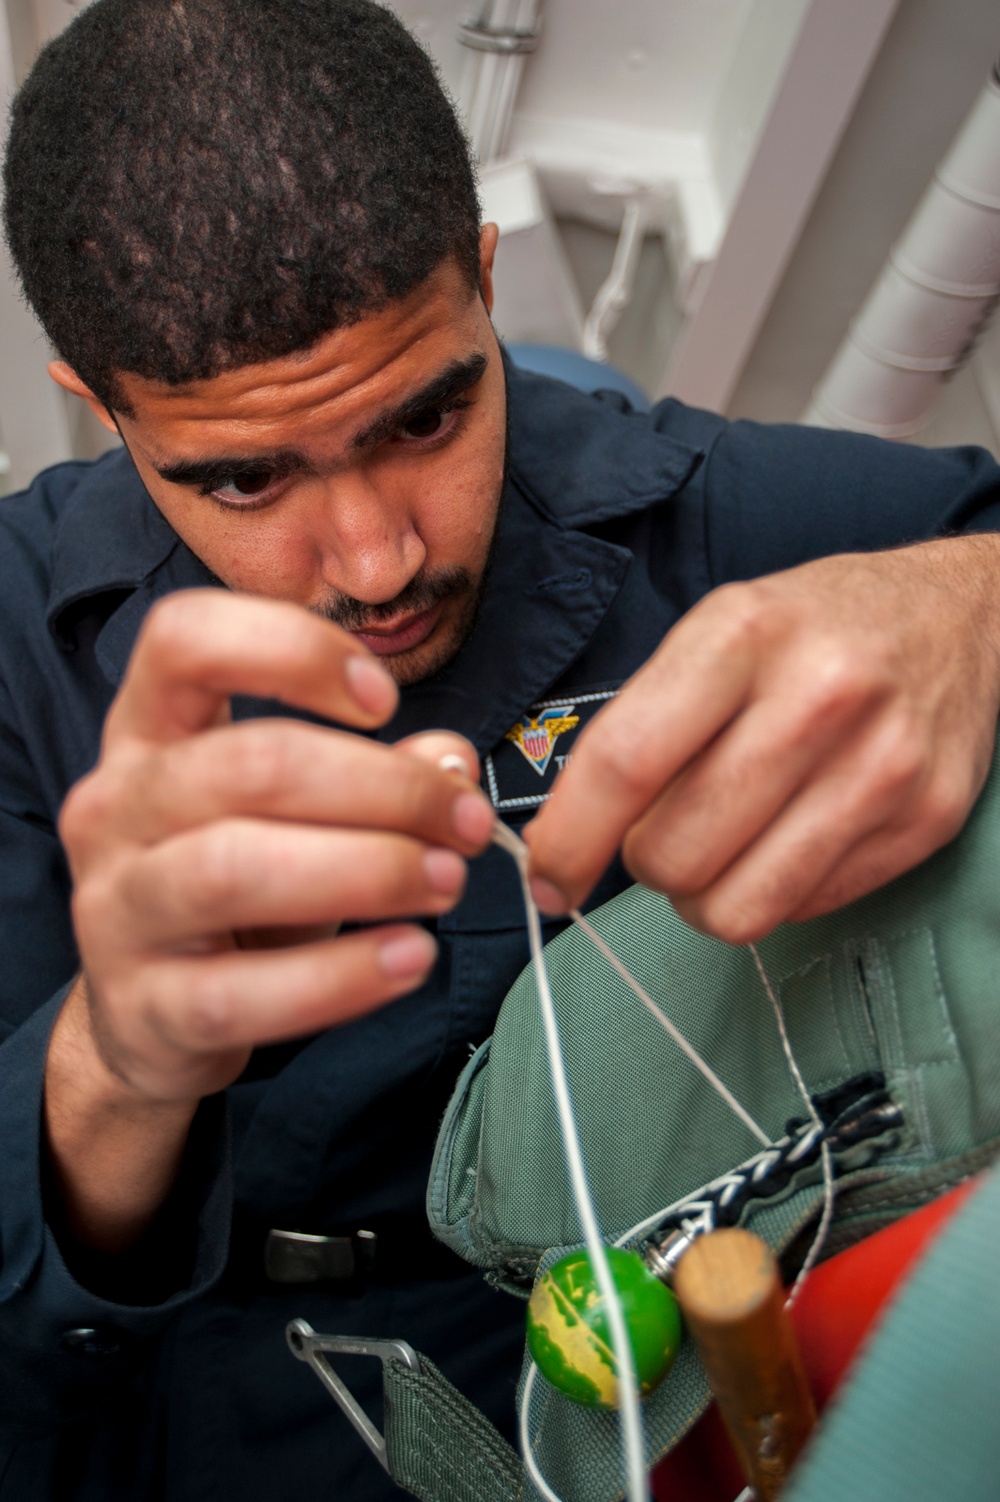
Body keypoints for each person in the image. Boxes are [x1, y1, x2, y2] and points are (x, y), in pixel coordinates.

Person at [1, 1, 1000, 1498]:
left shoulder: (708, 514)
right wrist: (117, 1063)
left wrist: (970, 598)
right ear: (104, 411)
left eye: (427, 415)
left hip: (632, 1378)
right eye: (247, 477)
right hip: (177, 1394)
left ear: (481, 277)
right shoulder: (18, 646)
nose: (378, 558)